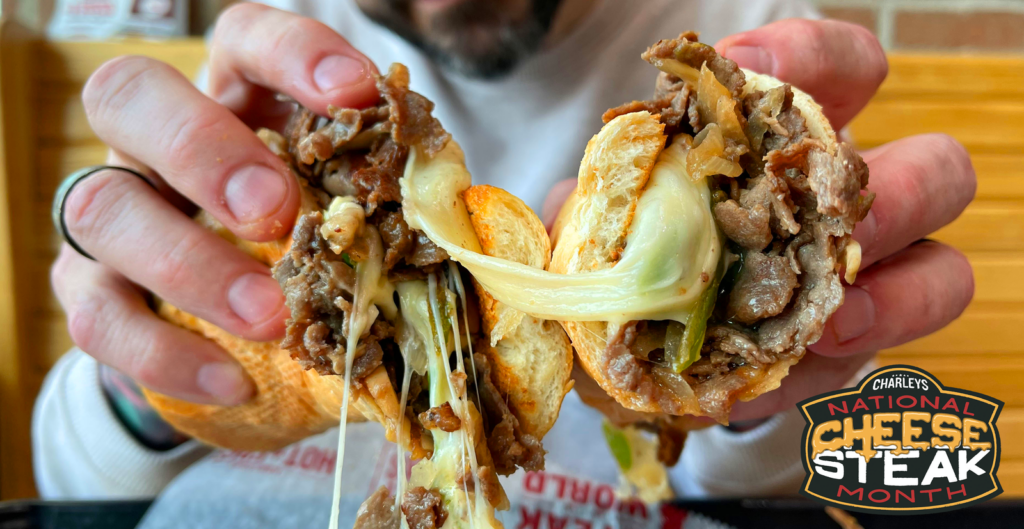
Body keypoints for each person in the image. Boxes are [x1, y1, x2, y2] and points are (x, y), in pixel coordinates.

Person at [35, 0, 977, 526]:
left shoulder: (749, 27)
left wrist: (773, 393)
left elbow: (768, 498)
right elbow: (69, 492)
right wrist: (139, 382)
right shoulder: (275, 63)